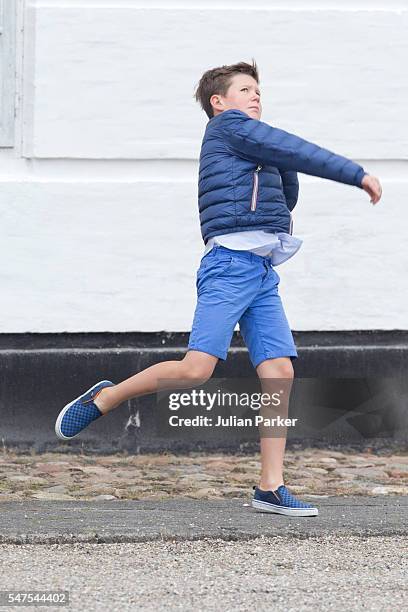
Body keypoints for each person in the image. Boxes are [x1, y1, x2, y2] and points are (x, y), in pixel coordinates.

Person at [55, 60, 382, 517]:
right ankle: (106, 396)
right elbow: (297, 150)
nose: (256, 97)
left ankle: (270, 486)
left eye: (259, 91)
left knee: (280, 372)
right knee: (196, 370)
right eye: (245, 89)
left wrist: (277, 175)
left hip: (262, 270)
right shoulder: (228, 128)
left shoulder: (253, 142)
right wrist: (355, 174)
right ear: (219, 102)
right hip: (229, 266)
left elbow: (284, 190)